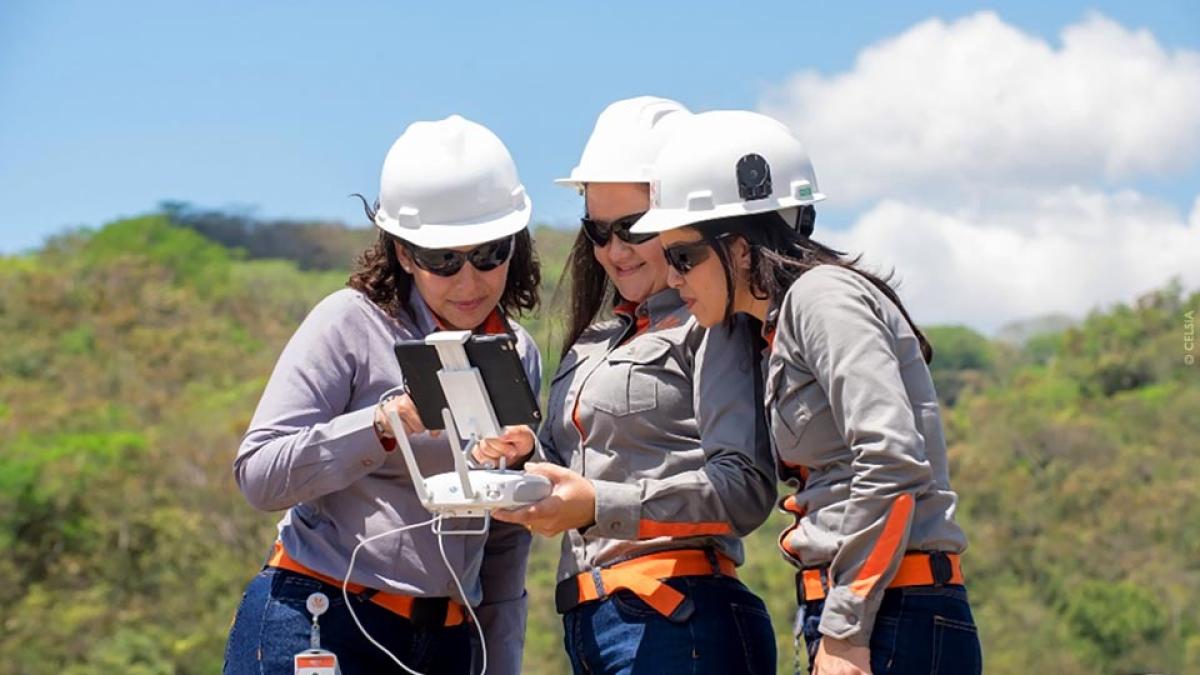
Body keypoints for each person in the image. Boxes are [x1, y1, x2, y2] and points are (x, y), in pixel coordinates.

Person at [632, 110, 982, 675]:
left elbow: (891, 462)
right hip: (868, 606)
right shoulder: (775, 326)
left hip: (890, 610)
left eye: (682, 256)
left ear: (740, 248)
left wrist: (846, 628)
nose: (672, 278)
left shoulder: (821, 298)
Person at [224, 115, 542, 675]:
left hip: (449, 641)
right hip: (321, 619)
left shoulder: (518, 352)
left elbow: (504, 543)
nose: (468, 281)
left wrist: (499, 659)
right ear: (401, 252)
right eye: (443, 260)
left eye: (489, 253)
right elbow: (259, 473)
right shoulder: (349, 323)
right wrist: (381, 425)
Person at [492, 97, 779, 674]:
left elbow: (745, 488)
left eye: (633, 229)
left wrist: (601, 504)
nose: (614, 251)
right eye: (598, 231)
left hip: (679, 617)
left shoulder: (714, 324)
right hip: (594, 625)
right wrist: (527, 458)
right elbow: (583, 474)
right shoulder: (593, 341)